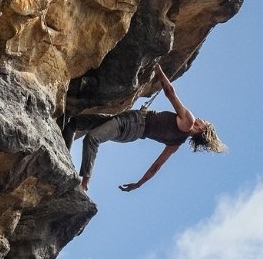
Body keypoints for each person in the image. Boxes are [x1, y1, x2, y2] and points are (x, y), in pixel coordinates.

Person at [61, 63, 225, 193]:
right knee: (74, 123)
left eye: (205, 122)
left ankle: (85, 183)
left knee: (92, 138)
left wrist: (158, 69)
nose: (202, 119)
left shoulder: (188, 121)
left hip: (133, 124)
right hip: (130, 125)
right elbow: (156, 166)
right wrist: (139, 184)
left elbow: (170, 92)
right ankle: (64, 160)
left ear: (202, 129)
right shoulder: (176, 143)